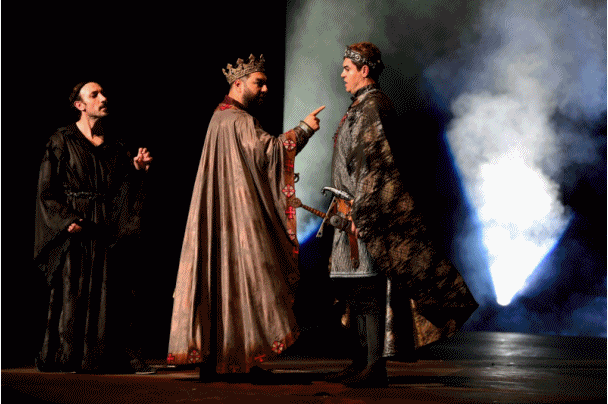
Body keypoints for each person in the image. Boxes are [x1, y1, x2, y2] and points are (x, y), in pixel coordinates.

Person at [325, 42, 478, 387]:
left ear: (364, 71)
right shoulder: (359, 106)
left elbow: (377, 165)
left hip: (364, 213)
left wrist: (361, 210)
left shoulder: (374, 106)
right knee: (354, 289)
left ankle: (373, 367)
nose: (342, 74)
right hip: (347, 212)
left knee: (367, 288)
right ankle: (358, 361)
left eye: (347, 68)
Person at [167, 54, 325, 380]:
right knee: (249, 279)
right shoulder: (239, 120)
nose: (265, 89)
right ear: (238, 84)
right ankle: (239, 360)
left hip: (222, 217)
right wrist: (304, 130)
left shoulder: (219, 117)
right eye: (259, 83)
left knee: (224, 282)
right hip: (237, 220)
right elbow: (270, 153)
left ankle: (220, 359)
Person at [34, 81, 155, 374]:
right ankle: (69, 355)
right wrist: (67, 220)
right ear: (80, 105)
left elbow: (122, 189)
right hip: (77, 224)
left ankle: (107, 356)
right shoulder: (61, 141)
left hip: (107, 225)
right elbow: (46, 190)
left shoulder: (116, 145)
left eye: (103, 93)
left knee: (113, 291)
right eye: (95, 95)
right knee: (73, 289)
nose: (103, 98)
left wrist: (137, 170)